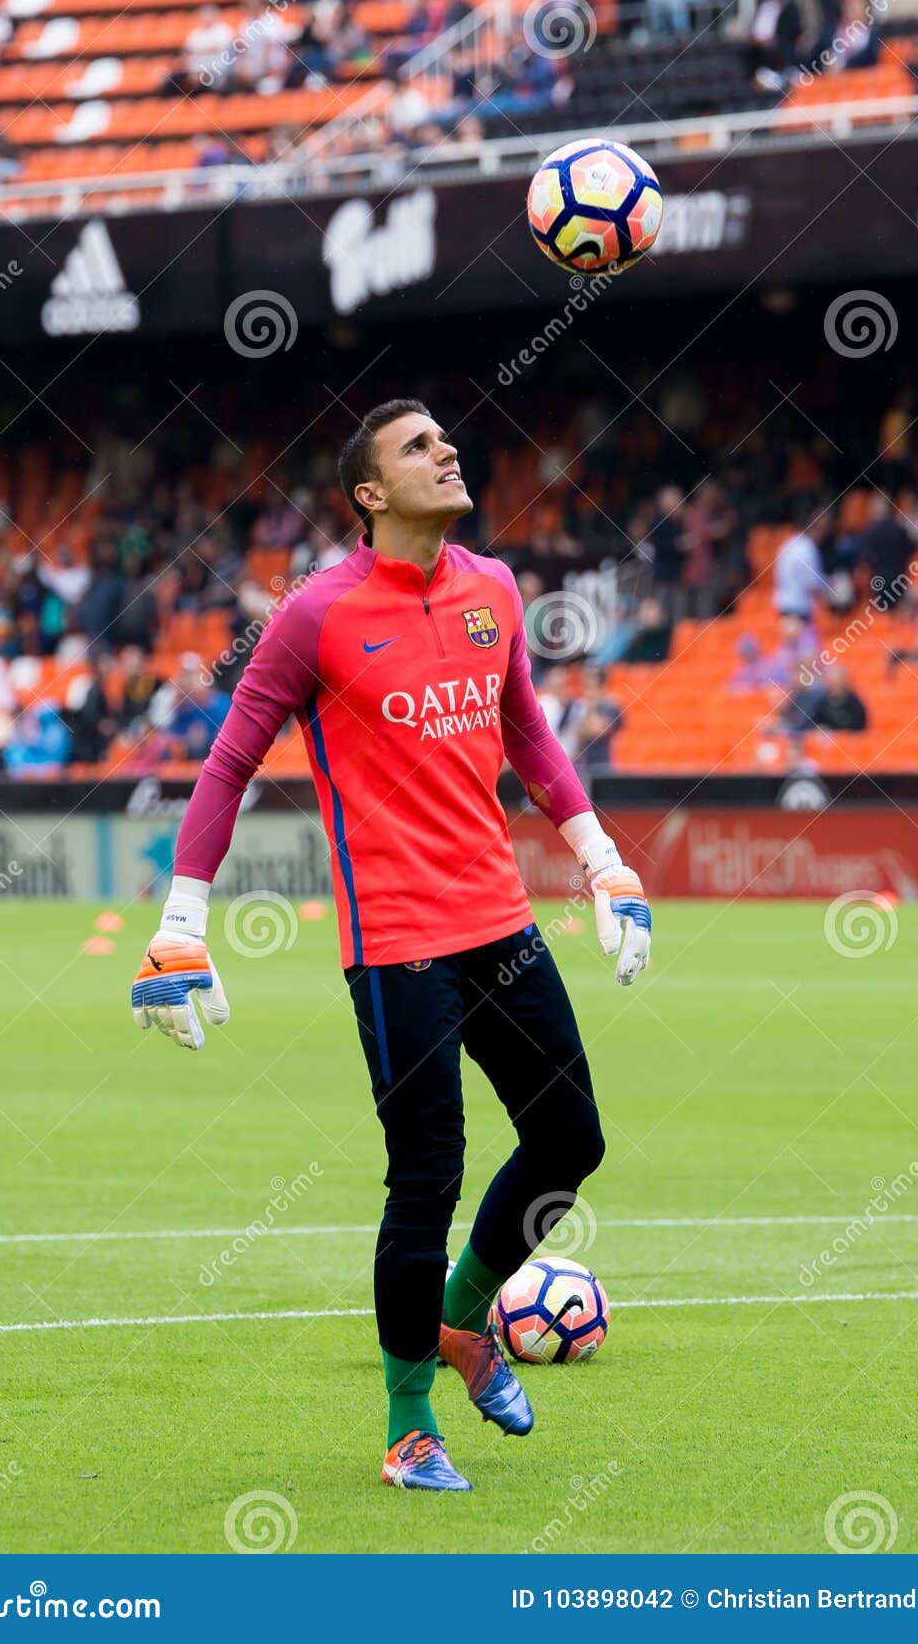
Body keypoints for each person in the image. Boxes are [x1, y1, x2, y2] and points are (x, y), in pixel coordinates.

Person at [130, 400, 652, 1494]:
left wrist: (602, 858)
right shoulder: (316, 615)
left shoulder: (494, 588)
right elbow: (228, 762)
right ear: (369, 494)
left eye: (445, 440)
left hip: (502, 923)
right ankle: (409, 1423)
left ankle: (465, 1321)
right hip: (397, 940)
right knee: (427, 1172)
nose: (446, 451)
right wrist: (181, 919)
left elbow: (527, 732)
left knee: (571, 1138)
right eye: (417, 447)